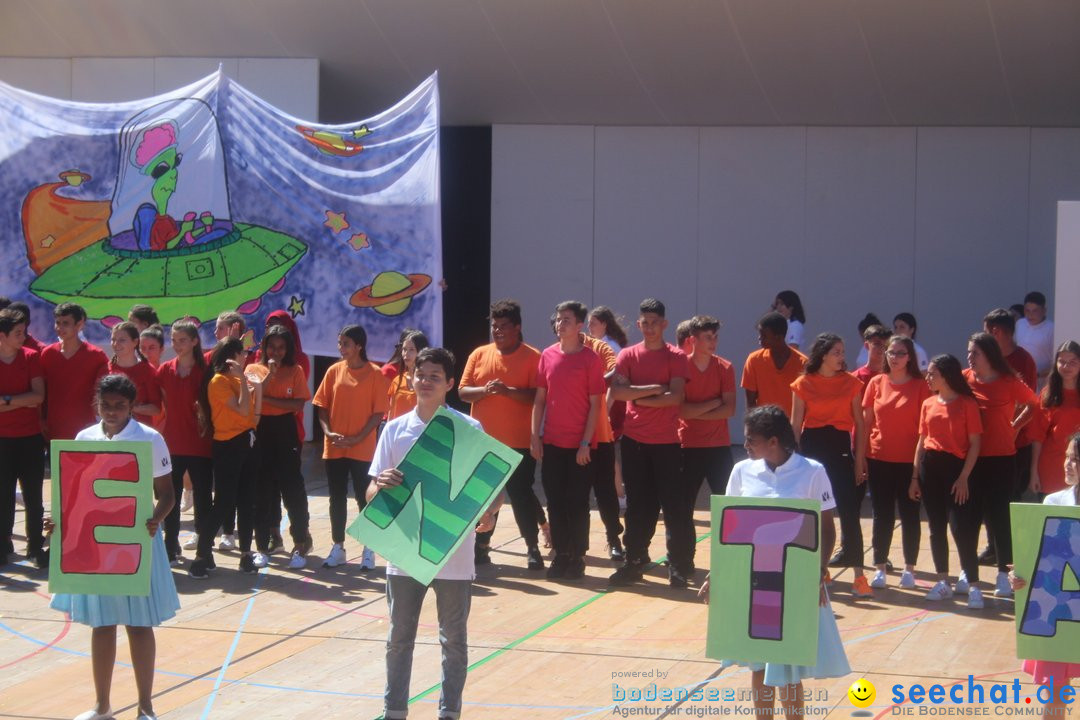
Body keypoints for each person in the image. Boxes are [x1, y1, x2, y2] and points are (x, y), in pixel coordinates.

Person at [369, 346, 499, 720]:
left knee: (453, 641)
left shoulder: (468, 429)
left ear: (450, 384)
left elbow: (491, 484)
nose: (425, 382)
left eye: (434, 377)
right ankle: (394, 710)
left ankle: (449, 712)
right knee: (399, 639)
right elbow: (370, 494)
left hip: (453, 554)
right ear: (411, 377)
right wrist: (381, 485)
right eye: (420, 375)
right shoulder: (395, 430)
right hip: (405, 552)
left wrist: (490, 513)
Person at [700, 405, 850, 719]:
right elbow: (725, 529)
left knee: (789, 665)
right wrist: (718, 573)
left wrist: (817, 572)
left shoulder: (813, 471)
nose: (746, 446)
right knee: (759, 662)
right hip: (753, 586)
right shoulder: (742, 471)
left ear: (773, 441)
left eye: (751, 439)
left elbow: (827, 528)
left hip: (794, 585)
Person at [48, 373, 179, 720]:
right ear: (97, 403)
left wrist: (155, 519)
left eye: (120, 406)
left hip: (138, 541)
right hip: (97, 546)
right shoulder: (84, 438)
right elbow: (75, 495)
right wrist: (59, 522)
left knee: (139, 625)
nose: (112, 411)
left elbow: (167, 494)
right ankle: (102, 705)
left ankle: (146, 707)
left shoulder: (151, 439)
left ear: (132, 406)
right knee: (102, 624)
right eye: (105, 405)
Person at [459, 300, 550, 569]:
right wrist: (486, 390)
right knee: (484, 496)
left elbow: (538, 396)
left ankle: (532, 547)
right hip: (483, 442)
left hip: (519, 441)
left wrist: (508, 391)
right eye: (494, 326)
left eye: (503, 326)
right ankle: (481, 547)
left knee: (520, 494)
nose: (497, 331)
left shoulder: (533, 356)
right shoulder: (479, 354)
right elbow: (463, 391)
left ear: (517, 327)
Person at [609, 298, 691, 588]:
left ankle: (678, 566)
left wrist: (636, 395)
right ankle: (634, 561)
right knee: (638, 506)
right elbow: (618, 394)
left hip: (668, 443)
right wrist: (655, 390)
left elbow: (677, 397)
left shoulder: (677, 357)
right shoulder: (628, 355)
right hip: (635, 442)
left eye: (655, 322)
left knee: (673, 506)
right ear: (639, 323)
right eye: (645, 322)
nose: (649, 327)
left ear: (664, 324)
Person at [790, 333, 871, 597]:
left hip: (839, 449)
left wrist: (859, 460)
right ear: (823, 355)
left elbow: (859, 424)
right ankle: (819, 569)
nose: (841, 357)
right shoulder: (803, 383)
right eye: (836, 352)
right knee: (814, 513)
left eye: (842, 352)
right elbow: (795, 426)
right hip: (812, 449)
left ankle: (859, 576)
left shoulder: (851, 384)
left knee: (849, 512)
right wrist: (792, 461)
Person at [531, 301, 604, 580]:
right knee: (555, 500)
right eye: (558, 319)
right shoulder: (547, 356)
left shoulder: (590, 359)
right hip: (552, 442)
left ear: (579, 325)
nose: (560, 324)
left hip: (580, 446)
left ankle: (578, 555)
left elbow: (595, 404)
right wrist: (535, 436)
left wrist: (585, 443)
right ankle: (561, 554)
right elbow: (539, 400)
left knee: (577, 501)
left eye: (566, 320)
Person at [1009, 432, 1080, 720]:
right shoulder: (1053, 501)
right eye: (1067, 456)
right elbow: (1036, 558)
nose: (1068, 464)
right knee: (1054, 699)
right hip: (1059, 615)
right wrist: (1021, 576)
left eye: (1076, 459)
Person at [963, 332, 1037, 600]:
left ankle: (1003, 574)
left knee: (1000, 518)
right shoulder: (964, 378)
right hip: (970, 459)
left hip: (1002, 459)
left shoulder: (1008, 381)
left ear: (989, 355)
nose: (970, 357)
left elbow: (1033, 404)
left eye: (975, 353)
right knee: (969, 516)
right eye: (969, 352)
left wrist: (1014, 427)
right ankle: (967, 570)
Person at [312, 324, 388, 570]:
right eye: (339, 343)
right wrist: (327, 432)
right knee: (336, 497)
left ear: (359, 346)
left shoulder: (375, 374)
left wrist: (358, 438)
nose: (341, 348)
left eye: (345, 343)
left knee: (363, 497)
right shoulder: (334, 371)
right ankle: (338, 547)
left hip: (362, 447)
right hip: (335, 446)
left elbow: (378, 414)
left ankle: (369, 548)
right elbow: (321, 405)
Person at [910, 354, 983, 607]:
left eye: (932, 373)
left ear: (947, 375)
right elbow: (921, 441)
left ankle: (973, 584)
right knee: (936, 526)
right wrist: (915, 476)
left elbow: (975, 443)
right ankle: (943, 581)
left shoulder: (966, 404)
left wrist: (964, 477)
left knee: (961, 528)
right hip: (931, 466)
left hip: (956, 469)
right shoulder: (928, 403)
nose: (928, 377)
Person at [860, 335, 930, 589]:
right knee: (882, 515)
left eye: (900, 353)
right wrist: (861, 458)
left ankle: (909, 568)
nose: (895, 357)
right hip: (879, 458)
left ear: (910, 356)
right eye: (891, 352)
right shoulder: (876, 382)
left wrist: (916, 470)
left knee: (910, 515)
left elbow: (925, 431)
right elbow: (866, 424)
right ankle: (880, 566)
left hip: (909, 462)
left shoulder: (921, 387)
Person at [189, 338, 263, 578]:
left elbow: (252, 418)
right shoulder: (219, 381)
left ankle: (245, 555)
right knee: (224, 501)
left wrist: (258, 389)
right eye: (242, 353)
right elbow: (241, 410)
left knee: (248, 500)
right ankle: (202, 555)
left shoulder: (238, 380)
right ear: (231, 357)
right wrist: (242, 379)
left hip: (248, 442)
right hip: (228, 445)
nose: (246, 357)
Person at [678, 315, 736, 570]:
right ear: (692, 340)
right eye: (707, 337)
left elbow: (730, 410)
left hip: (719, 449)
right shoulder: (680, 367)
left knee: (727, 508)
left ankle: (730, 561)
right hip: (687, 447)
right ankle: (682, 560)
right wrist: (714, 402)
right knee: (682, 508)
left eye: (715, 337)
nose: (713, 342)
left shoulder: (725, 367)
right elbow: (681, 411)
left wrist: (697, 409)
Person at [252, 324, 312, 569]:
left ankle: (300, 541)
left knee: (292, 487)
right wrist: (268, 378)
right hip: (261, 430)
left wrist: (266, 399)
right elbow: (252, 398)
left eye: (280, 347)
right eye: (271, 347)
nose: (275, 352)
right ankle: (263, 544)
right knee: (262, 488)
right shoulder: (254, 369)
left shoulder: (295, 370)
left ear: (287, 349)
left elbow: (297, 405)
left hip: (286, 432)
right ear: (264, 347)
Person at [157, 320, 212, 566]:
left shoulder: (206, 371)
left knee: (202, 497)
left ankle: (204, 547)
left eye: (182, 340)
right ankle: (170, 546)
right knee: (171, 496)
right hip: (173, 442)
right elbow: (164, 403)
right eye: (174, 340)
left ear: (194, 342)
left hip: (200, 442)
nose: (177, 345)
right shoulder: (165, 370)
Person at [0, 308, 46, 567]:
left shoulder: (30, 357)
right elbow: (28, 398)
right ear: (2, 335)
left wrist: (6, 400)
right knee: (3, 495)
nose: (23, 336)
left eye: (24, 331)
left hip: (29, 438)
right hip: (2, 439)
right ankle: (4, 544)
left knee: (33, 496)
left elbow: (38, 396)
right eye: (17, 333)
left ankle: (35, 546)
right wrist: (21, 401)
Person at [40, 303, 109, 440]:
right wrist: (41, 420)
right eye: (57, 323)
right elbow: (41, 393)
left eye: (66, 323)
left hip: (86, 431)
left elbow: (103, 394)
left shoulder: (96, 356)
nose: (60, 328)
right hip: (53, 429)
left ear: (79, 324)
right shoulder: (47, 354)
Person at [587, 305, 630, 516]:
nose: (589, 327)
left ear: (604, 324)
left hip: (609, 406)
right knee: (604, 450)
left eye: (593, 323)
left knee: (607, 449)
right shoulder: (598, 345)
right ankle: (617, 492)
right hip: (603, 404)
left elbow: (614, 380)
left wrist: (606, 407)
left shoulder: (610, 347)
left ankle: (619, 494)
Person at [1029, 342, 1080, 497]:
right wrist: (1034, 472)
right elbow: (1037, 437)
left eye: (1073, 362)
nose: (1066, 366)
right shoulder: (1048, 394)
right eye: (1062, 361)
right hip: (1051, 470)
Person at [742, 312, 807, 417]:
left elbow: (807, 402)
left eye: (764, 335)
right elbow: (750, 402)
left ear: (778, 337)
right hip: (764, 428)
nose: (759, 338)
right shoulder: (754, 360)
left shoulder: (803, 363)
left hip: (792, 429)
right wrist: (753, 428)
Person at [108, 322, 162, 426]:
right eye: (113, 339)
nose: (115, 344)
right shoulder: (106, 369)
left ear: (135, 342)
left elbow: (156, 409)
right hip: (112, 432)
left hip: (140, 433)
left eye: (122, 340)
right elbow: (97, 406)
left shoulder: (147, 370)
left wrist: (131, 408)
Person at [386, 330, 428, 421]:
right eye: (404, 349)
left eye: (411, 349)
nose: (406, 354)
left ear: (421, 352)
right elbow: (391, 415)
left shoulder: (429, 383)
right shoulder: (397, 381)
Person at [1014, 291, 1055, 379]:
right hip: (1021, 378)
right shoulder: (1020, 324)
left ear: (1044, 310)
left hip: (1042, 381)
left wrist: (1038, 375)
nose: (1030, 314)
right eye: (1027, 310)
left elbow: (1056, 361)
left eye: (1035, 311)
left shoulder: (1052, 329)